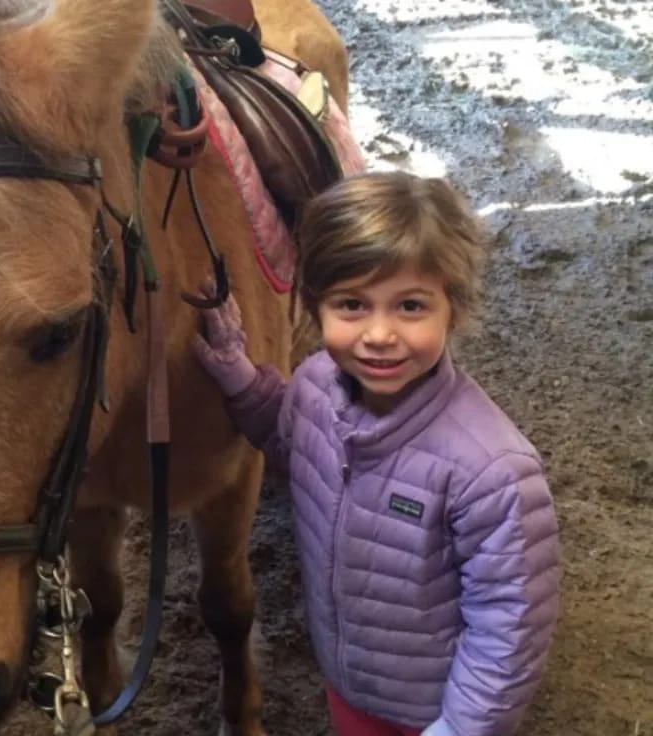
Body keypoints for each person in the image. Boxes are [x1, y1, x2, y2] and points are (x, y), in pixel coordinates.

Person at [192, 172, 560, 736]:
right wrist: (240, 376)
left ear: (452, 308)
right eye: (352, 305)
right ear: (315, 309)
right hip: (350, 678)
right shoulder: (315, 383)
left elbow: (509, 629)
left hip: (431, 711)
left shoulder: (494, 473)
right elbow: (294, 443)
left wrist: (459, 728)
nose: (380, 334)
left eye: (410, 306)